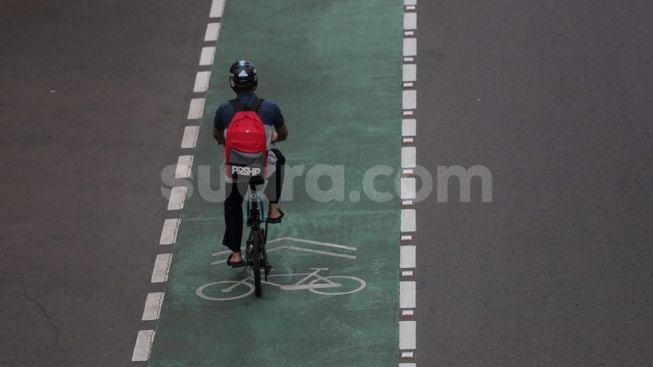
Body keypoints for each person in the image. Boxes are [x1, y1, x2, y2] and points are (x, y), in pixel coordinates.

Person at [213, 60, 288, 267]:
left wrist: (226, 141)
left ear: (232, 84)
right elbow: (283, 134)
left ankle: (236, 254)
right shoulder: (270, 107)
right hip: (262, 167)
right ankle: (273, 208)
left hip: (235, 170)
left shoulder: (223, 110)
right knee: (278, 158)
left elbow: (218, 135)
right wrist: (272, 137)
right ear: (255, 81)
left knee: (232, 205)